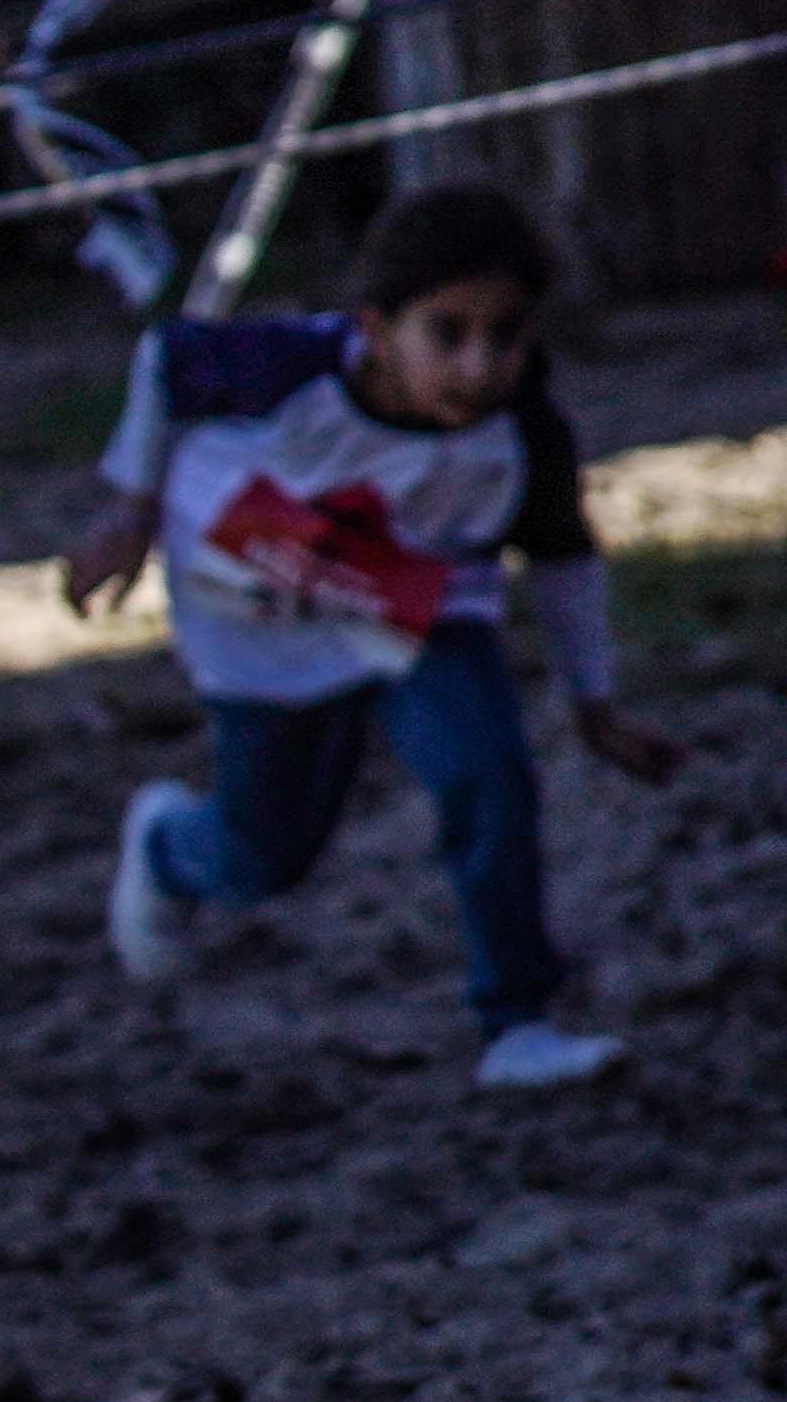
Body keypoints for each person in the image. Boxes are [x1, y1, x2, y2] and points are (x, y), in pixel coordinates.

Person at [65, 179, 684, 1088]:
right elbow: (165, 358)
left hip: (416, 608)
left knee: (489, 775)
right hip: (259, 613)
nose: (479, 366)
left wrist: (594, 703)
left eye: (505, 333)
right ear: (376, 328)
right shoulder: (278, 370)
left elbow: (562, 556)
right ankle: (165, 848)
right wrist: (132, 508)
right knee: (264, 853)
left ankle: (517, 1020)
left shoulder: (524, 432)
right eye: (449, 332)